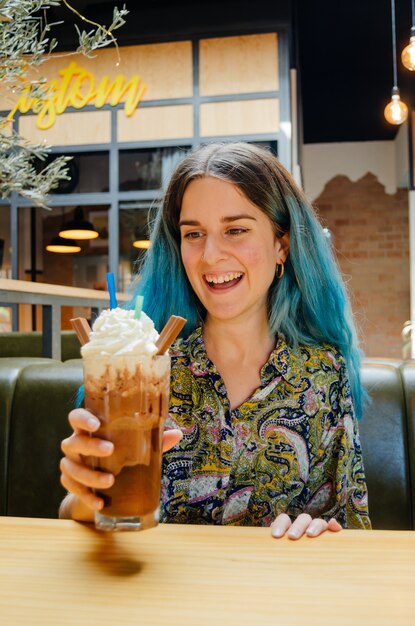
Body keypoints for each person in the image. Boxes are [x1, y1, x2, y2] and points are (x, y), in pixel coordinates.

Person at [60, 142, 371, 538]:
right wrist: (85, 496)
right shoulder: (137, 371)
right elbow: (86, 509)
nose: (209, 255)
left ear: (282, 244)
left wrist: (322, 529)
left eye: (235, 230)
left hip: (276, 595)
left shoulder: (325, 373)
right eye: (194, 234)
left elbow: (352, 524)